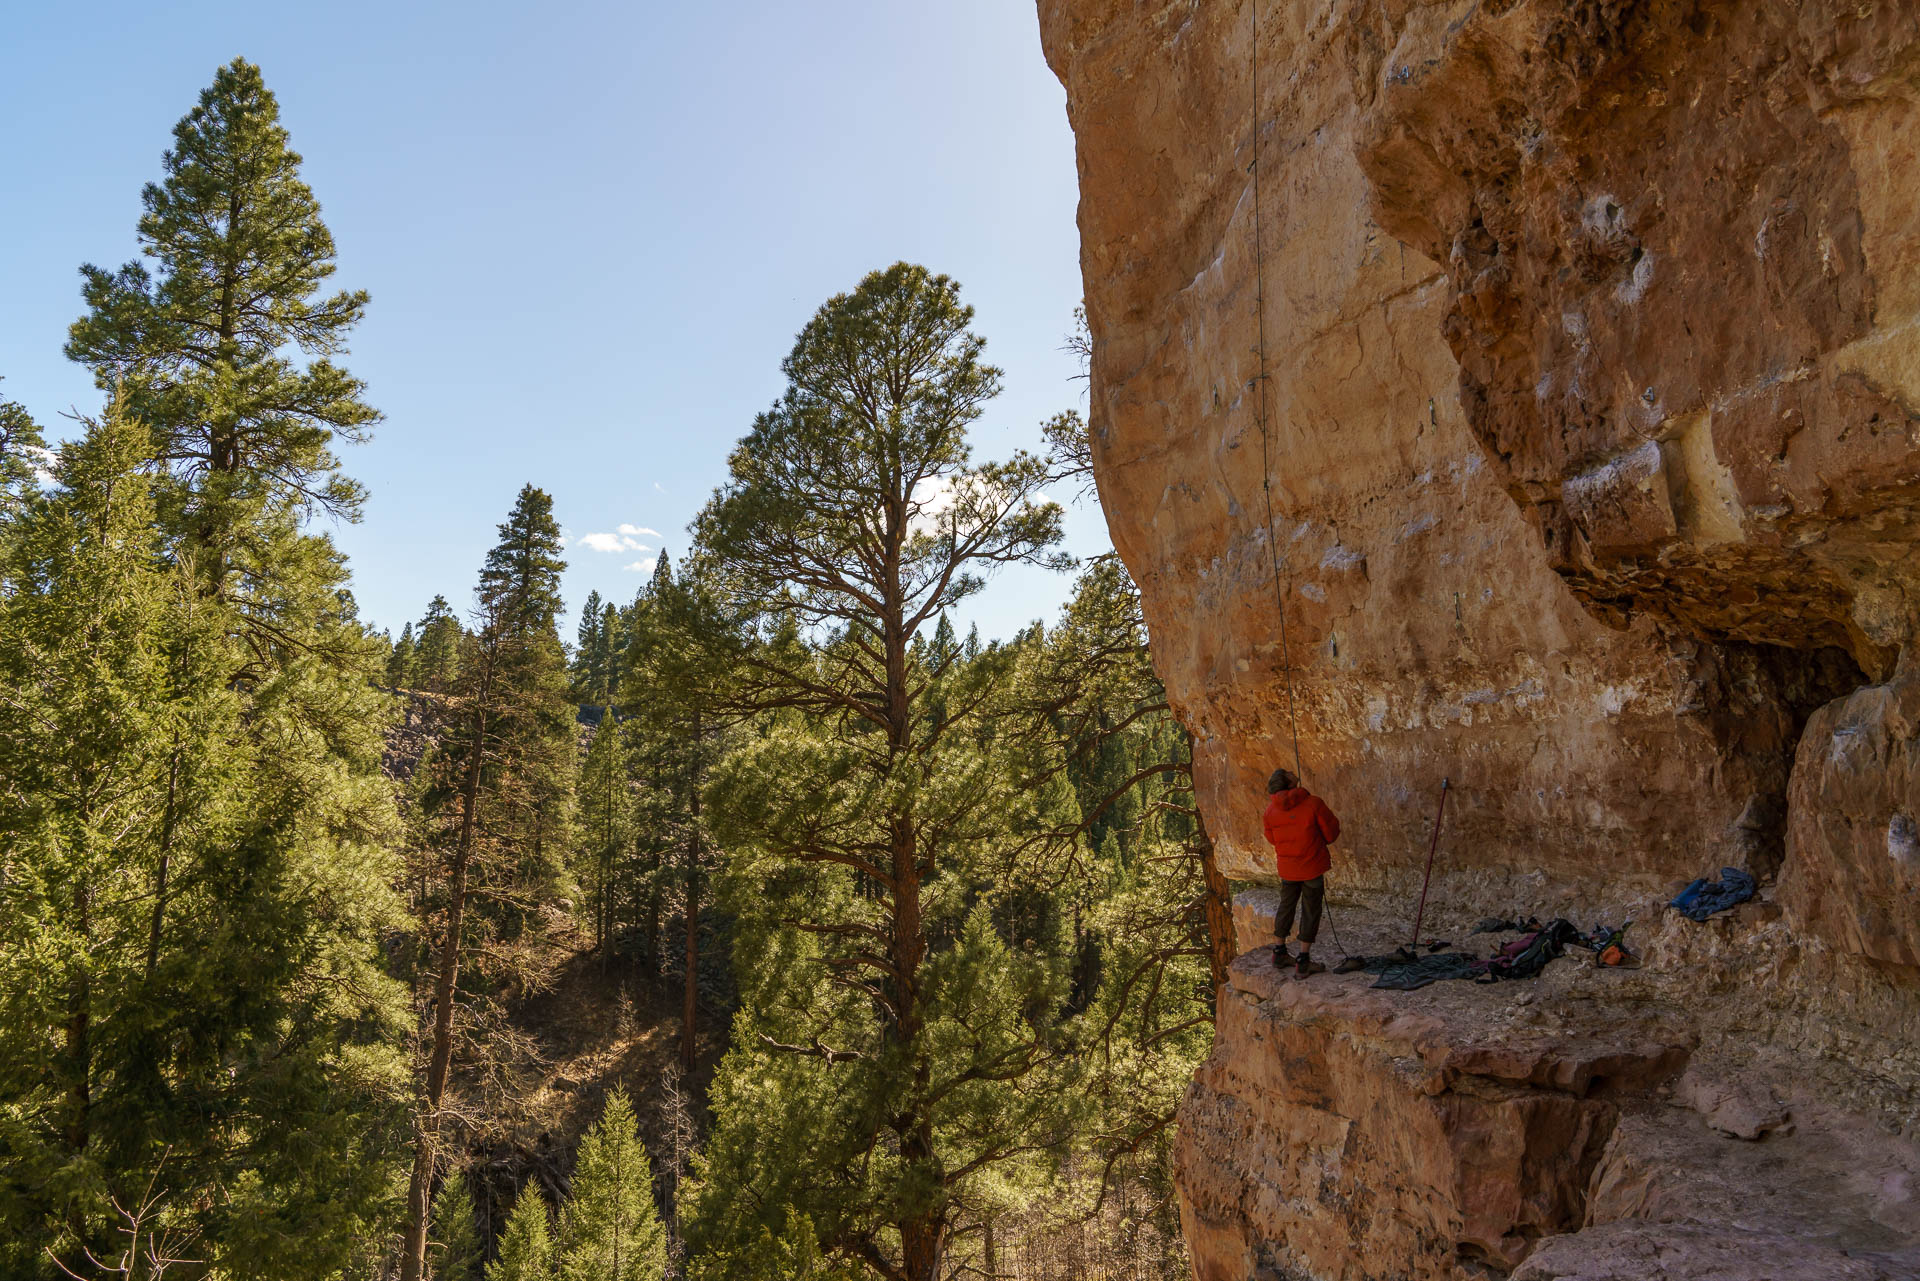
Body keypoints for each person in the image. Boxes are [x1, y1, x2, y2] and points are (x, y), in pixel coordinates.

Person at [1262, 767, 1340, 978]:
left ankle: (1279, 953)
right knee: (1310, 910)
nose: (1291, 770)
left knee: (1286, 907)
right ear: (1288, 783)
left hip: (1288, 868)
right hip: (1312, 866)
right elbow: (1331, 833)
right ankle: (1303, 961)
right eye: (1288, 772)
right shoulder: (1313, 804)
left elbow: (1272, 838)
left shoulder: (1270, 811)